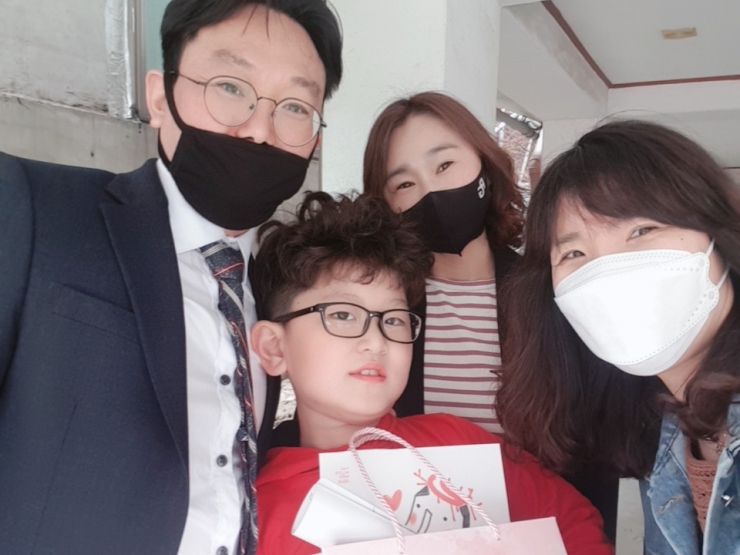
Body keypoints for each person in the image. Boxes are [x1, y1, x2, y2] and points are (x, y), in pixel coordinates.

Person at [0, 1, 341, 554]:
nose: (259, 130)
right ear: (160, 98)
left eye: (295, 106)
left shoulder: (281, 287)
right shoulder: (34, 208)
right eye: (230, 87)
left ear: (316, 138)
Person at [251, 191, 613, 555]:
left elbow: (573, 523)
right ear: (274, 348)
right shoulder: (253, 512)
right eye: (343, 314)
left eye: (394, 319)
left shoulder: (457, 443)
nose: (376, 341)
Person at [361, 91, 619, 541]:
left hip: (545, 536)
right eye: (403, 184)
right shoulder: (382, 309)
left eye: (445, 165)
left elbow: (592, 446)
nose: (431, 192)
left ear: (485, 163)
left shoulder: (553, 295)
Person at [496, 120, 740, 554]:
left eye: (641, 230)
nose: (607, 271)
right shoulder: (668, 428)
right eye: (574, 253)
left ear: (716, 232)